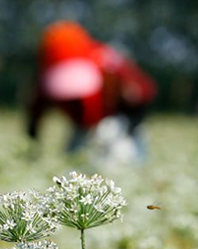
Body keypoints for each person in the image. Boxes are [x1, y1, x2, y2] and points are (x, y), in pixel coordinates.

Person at [27, 21, 157, 162]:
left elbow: (142, 94)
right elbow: (35, 111)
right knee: (73, 160)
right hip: (83, 124)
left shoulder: (108, 63)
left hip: (118, 118)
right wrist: (33, 147)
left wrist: (130, 127)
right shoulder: (45, 78)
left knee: (123, 157)